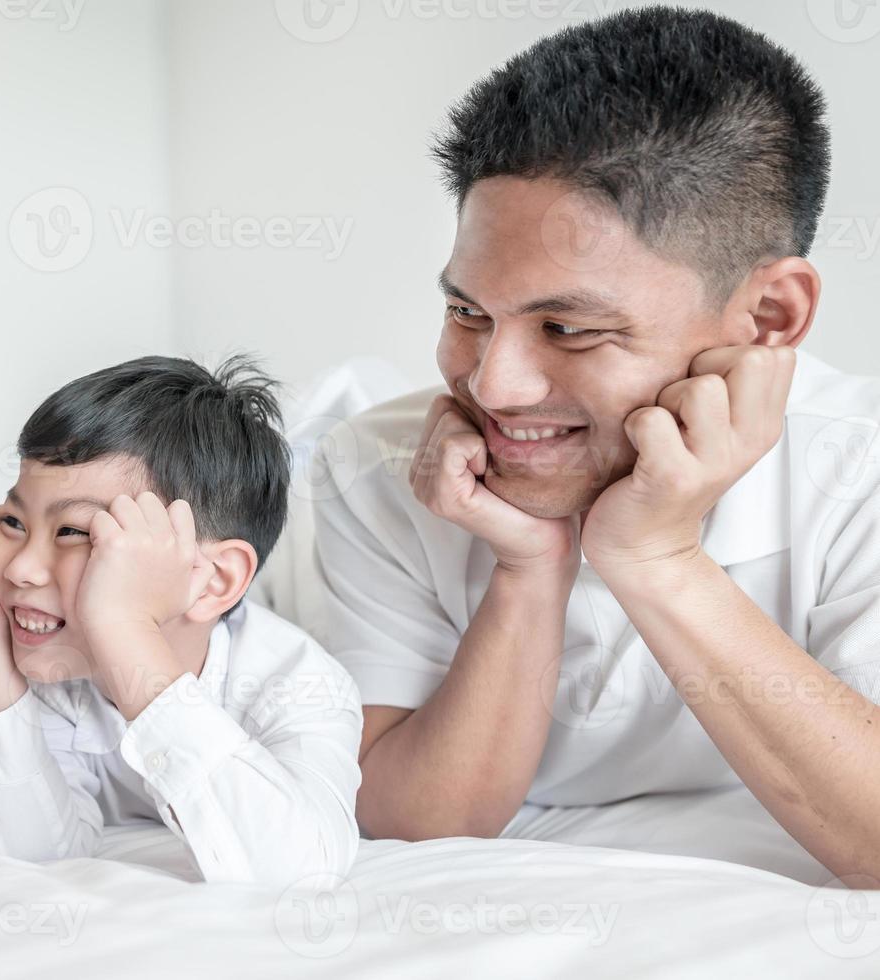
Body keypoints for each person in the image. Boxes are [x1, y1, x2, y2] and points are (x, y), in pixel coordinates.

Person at [314, 7, 880, 884]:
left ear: (769, 318)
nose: (492, 386)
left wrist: (654, 558)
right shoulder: (376, 467)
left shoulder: (858, 468)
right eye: (467, 312)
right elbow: (415, 824)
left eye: (569, 327)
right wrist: (527, 565)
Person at [0, 356, 362, 883]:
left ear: (212, 580)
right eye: (12, 520)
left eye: (75, 532)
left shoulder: (299, 684)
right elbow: (25, 857)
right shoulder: (52, 660)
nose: (23, 568)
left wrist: (124, 628)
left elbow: (299, 870)